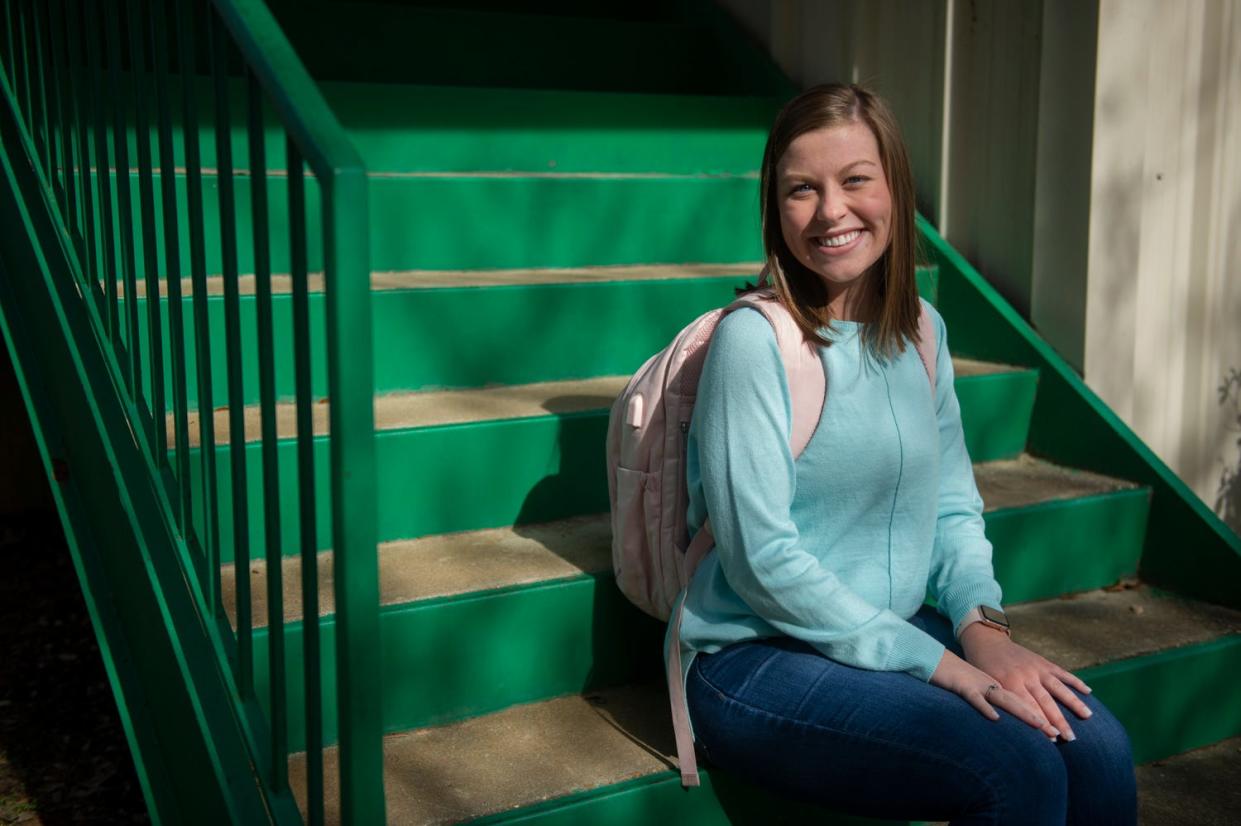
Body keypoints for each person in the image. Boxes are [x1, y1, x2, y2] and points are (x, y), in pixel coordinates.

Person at [673, 83, 1138, 825]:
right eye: (801, 189)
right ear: (774, 208)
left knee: (1099, 749)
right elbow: (761, 562)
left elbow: (953, 507)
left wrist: (983, 632)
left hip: (886, 631)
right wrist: (941, 666)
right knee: (1015, 769)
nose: (830, 211)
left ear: (894, 188)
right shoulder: (753, 344)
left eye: (855, 180)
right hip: (755, 656)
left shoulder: (922, 330)